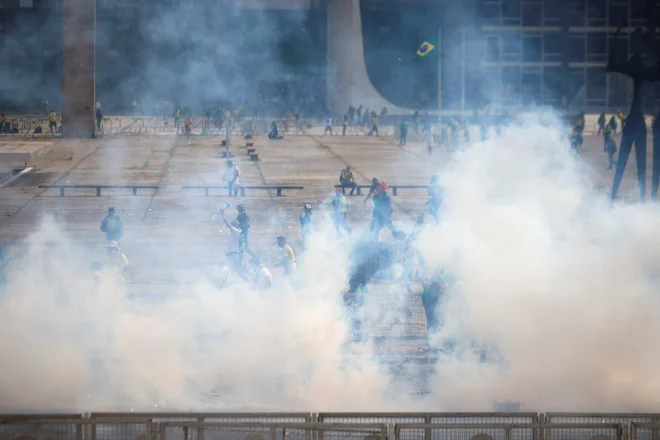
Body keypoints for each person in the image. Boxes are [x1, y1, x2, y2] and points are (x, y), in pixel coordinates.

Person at [217, 207, 244, 274]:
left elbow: (227, 223)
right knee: (233, 270)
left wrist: (222, 214)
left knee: (230, 269)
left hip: (232, 254)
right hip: (234, 253)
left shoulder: (234, 230)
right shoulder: (238, 232)